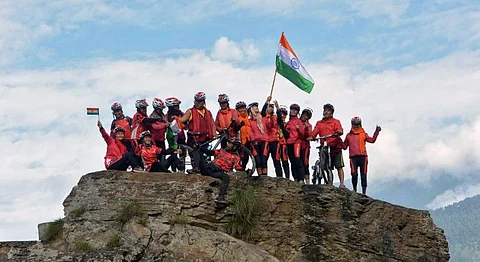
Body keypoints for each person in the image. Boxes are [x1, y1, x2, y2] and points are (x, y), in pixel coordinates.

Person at [199, 137, 248, 204]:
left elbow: (239, 168)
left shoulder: (236, 158)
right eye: (228, 143)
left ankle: (220, 197)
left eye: (230, 144)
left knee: (226, 177)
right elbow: (209, 152)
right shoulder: (221, 151)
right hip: (208, 168)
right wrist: (200, 147)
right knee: (198, 152)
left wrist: (246, 172)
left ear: (234, 147)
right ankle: (196, 168)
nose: (227, 144)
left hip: (217, 172)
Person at [307, 103, 346, 188]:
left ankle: (342, 183)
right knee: (325, 164)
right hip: (324, 146)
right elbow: (314, 133)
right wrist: (311, 137)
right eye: (325, 110)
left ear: (331, 113)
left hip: (335, 146)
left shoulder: (336, 122)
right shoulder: (319, 123)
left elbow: (340, 130)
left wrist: (338, 132)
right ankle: (327, 180)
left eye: (328, 110)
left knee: (339, 165)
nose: (326, 112)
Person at [178, 92, 216, 174]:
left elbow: (212, 123)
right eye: (196, 101)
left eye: (200, 101)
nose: (197, 103)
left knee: (206, 154)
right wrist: (182, 124)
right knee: (195, 153)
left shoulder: (208, 112)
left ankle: (206, 169)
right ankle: (196, 168)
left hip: (206, 138)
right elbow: (181, 121)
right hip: (194, 137)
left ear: (204, 102)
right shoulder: (190, 111)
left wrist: (214, 133)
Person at [342, 117, 381, 195]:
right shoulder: (348, 136)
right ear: (352, 125)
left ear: (360, 124)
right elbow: (344, 146)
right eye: (354, 124)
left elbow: (372, 140)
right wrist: (338, 141)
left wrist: (376, 131)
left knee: (363, 174)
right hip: (353, 157)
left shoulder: (363, 134)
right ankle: (354, 190)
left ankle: (364, 193)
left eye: (357, 124)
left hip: (363, 157)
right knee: (354, 174)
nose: (356, 126)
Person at [248, 102, 272, 176]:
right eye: (254, 107)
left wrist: (268, 117)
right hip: (254, 142)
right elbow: (250, 131)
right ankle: (260, 176)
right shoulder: (249, 121)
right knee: (257, 160)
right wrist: (253, 139)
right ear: (251, 110)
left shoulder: (263, 119)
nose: (256, 108)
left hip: (265, 141)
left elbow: (270, 126)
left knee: (264, 160)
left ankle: (265, 177)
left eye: (257, 107)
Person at [261, 97, 282, 178]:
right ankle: (264, 176)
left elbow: (280, 119)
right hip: (266, 141)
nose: (270, 108)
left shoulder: (275, 117)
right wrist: (267, 101)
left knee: (276, 160)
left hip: (275, 141)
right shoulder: (263, 117)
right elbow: (263, 111)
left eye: (272, 107)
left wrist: (277, 108)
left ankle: (279, 177)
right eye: (269, 107)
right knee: (264, 159)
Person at [284, 104, 305, 183]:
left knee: (298, 160)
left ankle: (301, 179)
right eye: (292, 109)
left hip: (297, 143)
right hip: (289, 143)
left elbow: (302, 134)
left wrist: (298, 129)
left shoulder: (299, 122)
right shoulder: (288, 122)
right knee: (292, 161)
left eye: (295, 110)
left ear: (297, 112)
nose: (293, 111)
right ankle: (295, 178)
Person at [235, 101, 252, 170]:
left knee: (246, 157)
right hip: (240, 140)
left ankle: (243, 169)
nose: (242, 109)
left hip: (248, 140)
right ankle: (239, 171)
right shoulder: (236, 118)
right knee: (239, 157)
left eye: (243, 107)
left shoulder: (249, 118)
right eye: (240, 108)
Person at [276, 105, 290, 179]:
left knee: (285, 161)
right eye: (281, 114)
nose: (282, 115)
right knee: (277, 161)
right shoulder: (275, 124)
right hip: (277, 143)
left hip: (284, 143)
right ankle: (279, 177)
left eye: (284, 114)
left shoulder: (287, 124)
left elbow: (288, 134)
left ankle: (287, 177)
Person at [300, 107, 313, 184]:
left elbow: (309, 135)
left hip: (305, 147)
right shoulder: (297, 122)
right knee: (298, 163)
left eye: (306, 116)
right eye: (303, 114)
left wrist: (306, 127)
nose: (304, 116)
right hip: (297, 145)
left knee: (305, 163)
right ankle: (299, 179)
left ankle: (307, 181)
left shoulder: (309, 125)